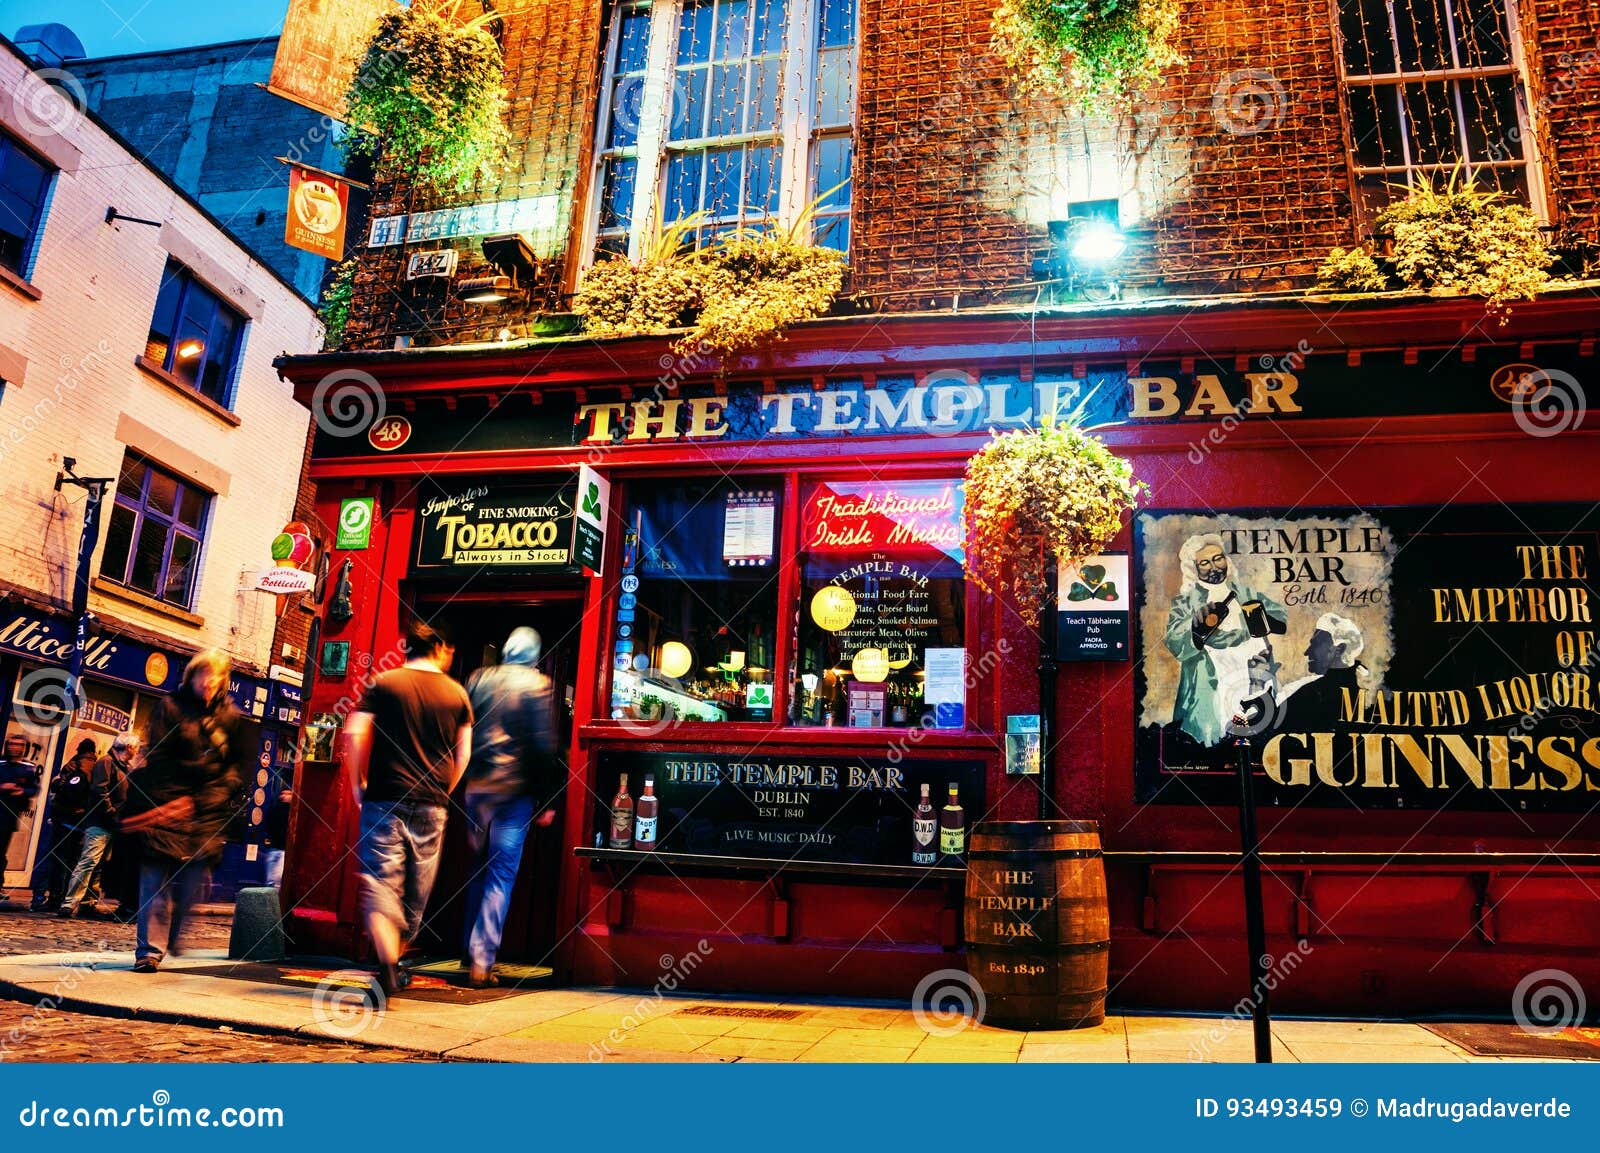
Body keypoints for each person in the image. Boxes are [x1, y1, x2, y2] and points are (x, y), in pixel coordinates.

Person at [345, 618, 472, 998]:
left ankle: (387, 964)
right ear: (438, 649)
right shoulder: (456, 694)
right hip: (432, 804)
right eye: (448, 649)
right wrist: (443, 789)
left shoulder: (384, 683)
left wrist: (357, 783)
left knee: (383, 882)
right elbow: (463, 753)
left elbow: (354, 731)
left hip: (384, 796)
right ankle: (394, 961)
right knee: (417, 890)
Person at [119, 651, 247, 973]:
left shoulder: (230, 717)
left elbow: (234, 770)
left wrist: (204, 799)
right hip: (166, 803)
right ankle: (148, 951)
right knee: (155, 879)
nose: (208, 683)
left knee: (191, 882)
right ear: (191, 677)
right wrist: (165, 804)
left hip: (203, 812)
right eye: (202, 676)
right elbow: (159, 758)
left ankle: (173, 935)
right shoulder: (170, 707)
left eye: (215, 677)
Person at [461, 628, 560, 988]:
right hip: (514, 792)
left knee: (475, 868)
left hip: (477, 788)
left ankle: (464, 952)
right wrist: (547, 799)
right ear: (534, 653)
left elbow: (464, 729)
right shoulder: (538, 685)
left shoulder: (477, 679)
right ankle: (481, 960)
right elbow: (542, 745)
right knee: (501, 874)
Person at [1163, 533, 1287, 747]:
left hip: (1252, 676)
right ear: (1194, 568)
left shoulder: (1245, 592)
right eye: (1205, 562)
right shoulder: (1186, 602)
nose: (1214, 566)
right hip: (1212, 683)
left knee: (1256, 736)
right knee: (1214, 742)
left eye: (1218, 558)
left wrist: (1260, 619)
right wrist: (1196, 626)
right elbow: (1174, 642)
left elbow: (1281, 621)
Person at [58, 732, 140, 918]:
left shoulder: (122, 766)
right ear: (129, 748)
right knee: (89, 861)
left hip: (113, 824)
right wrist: (111, 812)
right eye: (135, 747)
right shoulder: (106, 762)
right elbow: (99, 790)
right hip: (100, 822)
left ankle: (88, 902)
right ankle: (70, 903)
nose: (136, 751)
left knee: (100, 864)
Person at [30, 738, 96, 912]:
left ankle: (53, 898)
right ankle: (66, 898)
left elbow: (62, 788)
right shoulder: (96, 766)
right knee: (74, 861)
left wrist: (56, 782)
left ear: (78, 749)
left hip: (66, 819)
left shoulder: (75, 765)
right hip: (82, 822)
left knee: (57, 859)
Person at [0, 734, 42, 882]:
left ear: (23, 748)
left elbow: (35, 789)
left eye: (19, 745)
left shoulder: (28, 767)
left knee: (1, 851)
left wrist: (22, 791)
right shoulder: (1, 763)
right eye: (12, 744)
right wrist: (3, 787)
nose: (15, 747)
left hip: (9, 816)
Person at [263, 782, 293, 888]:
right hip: (274, 847)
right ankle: (269, 900)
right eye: (284, 793)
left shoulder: (293, 812)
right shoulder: (275, 808)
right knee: (270, 879)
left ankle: (273, 901)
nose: (286, 796)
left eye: (289, 794)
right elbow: (269, 824)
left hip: (284, 849)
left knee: (277, 878)